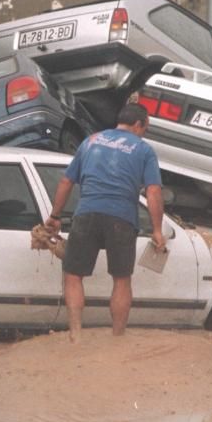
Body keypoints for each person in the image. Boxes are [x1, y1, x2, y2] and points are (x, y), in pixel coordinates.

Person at [44, 104, 166, 343]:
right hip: (122, 218)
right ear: (138, 124)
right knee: (121, 279)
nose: (144, 133)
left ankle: (76, 335)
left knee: (73, 275)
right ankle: (117, 339)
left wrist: (55, 216)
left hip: (87, 213)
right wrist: (158, 230)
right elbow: (153, 191)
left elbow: (66, 182)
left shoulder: (90, 142)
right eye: (146, 128)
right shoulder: (143, 150)